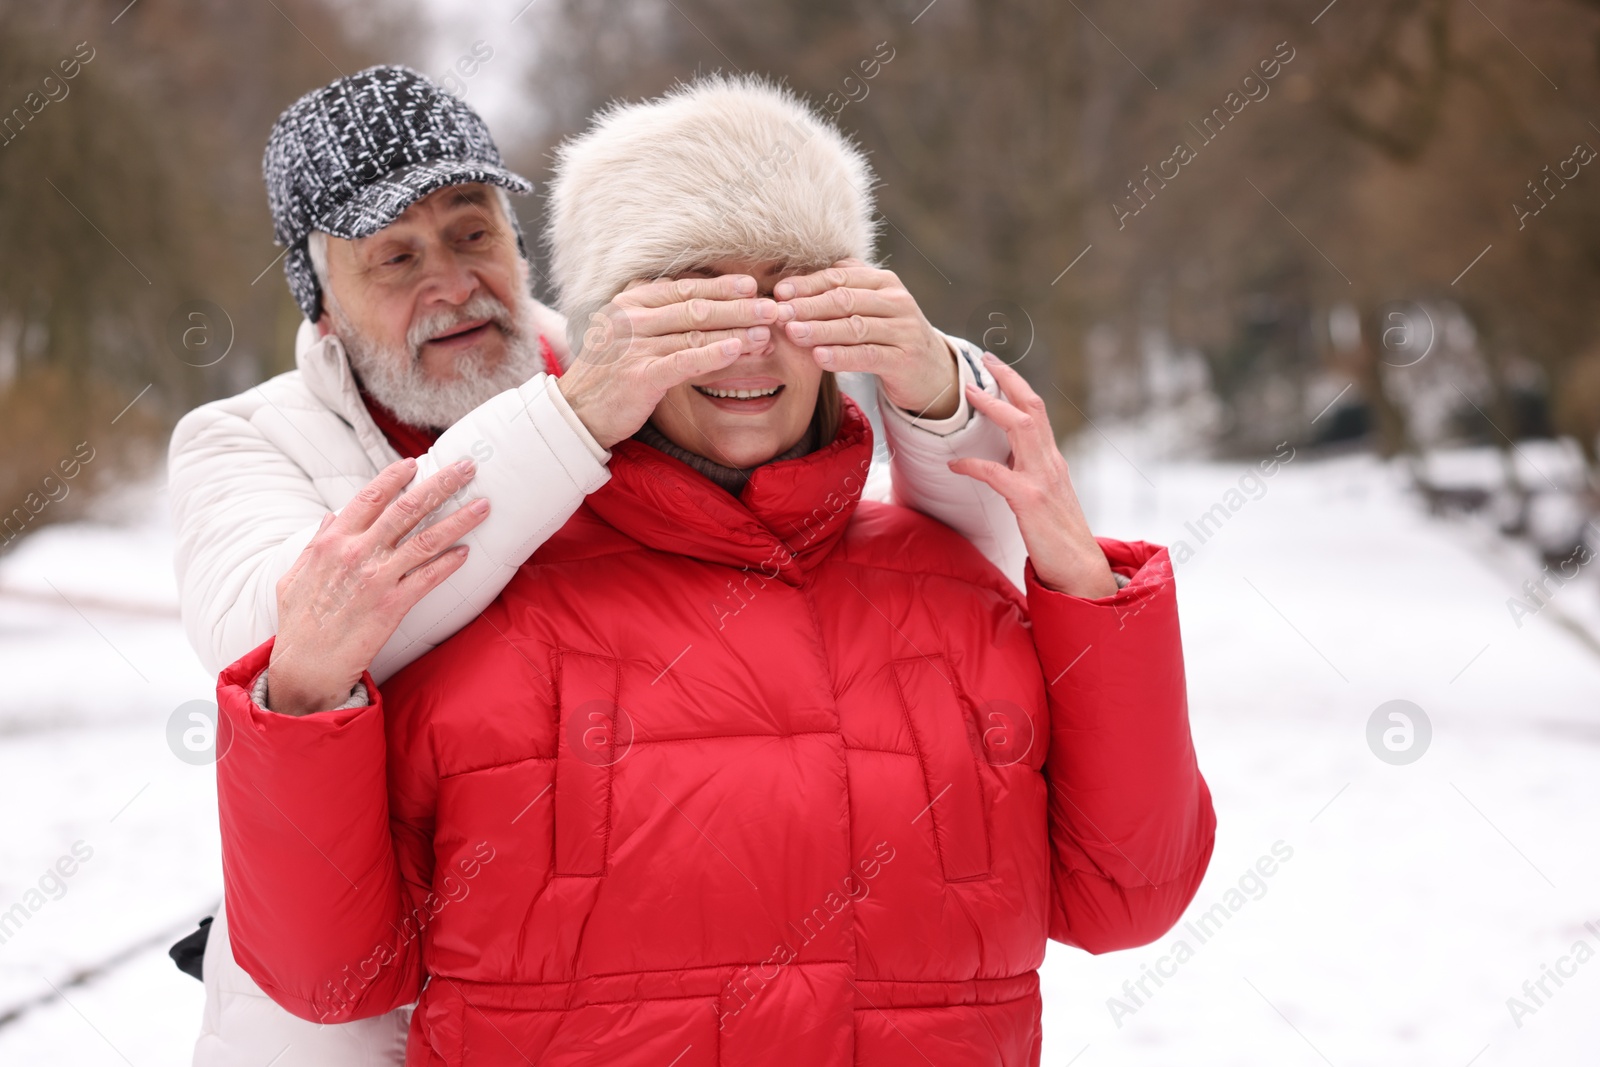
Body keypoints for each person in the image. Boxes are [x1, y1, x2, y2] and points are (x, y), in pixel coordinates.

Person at [211, 75, 1215, 1066]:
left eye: (796, 289)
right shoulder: (472, 600)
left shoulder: (952, 588)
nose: (752, 335)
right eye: (697, 295)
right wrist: (299, 702)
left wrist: (1086, 589)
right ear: (619, 335)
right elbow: (329, 972)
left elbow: (1129, 894)